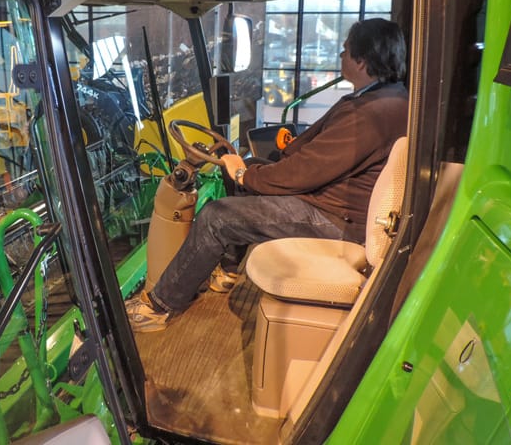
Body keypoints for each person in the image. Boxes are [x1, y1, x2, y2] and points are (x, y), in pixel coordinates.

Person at [127, 18, 409, 332]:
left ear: (361, 60)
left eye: (345, 52)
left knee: (215, 216)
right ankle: (229, 270)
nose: (340, 57)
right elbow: (323, 153)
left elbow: (306, 172)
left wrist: (248, 177)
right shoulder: (384, 96)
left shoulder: (369, 115)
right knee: (247, 168)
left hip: (336, 218)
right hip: (338, 202)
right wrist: (263, 164)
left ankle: (158, 306)